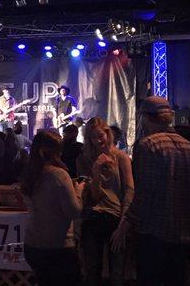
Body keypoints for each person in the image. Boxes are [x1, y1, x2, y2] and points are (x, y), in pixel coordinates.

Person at [110, 96, 190, 286]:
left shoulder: (148, 145)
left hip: (154, 232)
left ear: (146, 118)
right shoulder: (189, 147)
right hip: (183, 232)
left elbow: (144, 194)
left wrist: (125, 225)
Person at [21, 130, 83, 286]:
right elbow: (73, 211)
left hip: (33, 244)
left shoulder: (29, 173)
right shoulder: (58, 175)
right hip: (57, 245)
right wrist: (79, 191)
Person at [76, 117, 134, 286]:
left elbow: (129, 191)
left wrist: (123, 226)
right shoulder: (84, 159)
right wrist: (95, 171)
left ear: (108, 134)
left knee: (117, 275)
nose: (99, 140)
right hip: (93, 216)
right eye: (93, 137)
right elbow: (92, 196)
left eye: (101, 135)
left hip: (116, 218)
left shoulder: (121, 157)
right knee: (92, 273)